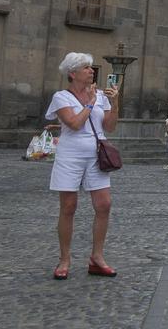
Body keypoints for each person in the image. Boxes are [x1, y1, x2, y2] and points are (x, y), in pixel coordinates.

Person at [45, 53, 120, 279]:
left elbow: (110, 127)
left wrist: (114, 103)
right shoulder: (61, 97)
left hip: (96, 154)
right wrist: (89, 103)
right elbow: (75, 124)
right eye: (86, 68)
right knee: (69, 206)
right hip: (70, 154)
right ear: (72, 73)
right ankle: (64, 258)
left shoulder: (100, 96)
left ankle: (97, 257)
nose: (92, 71)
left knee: (104, 204)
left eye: (91, 67)